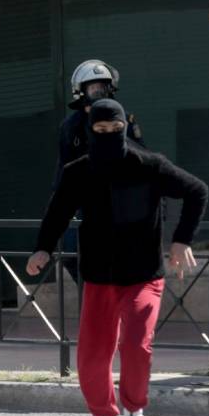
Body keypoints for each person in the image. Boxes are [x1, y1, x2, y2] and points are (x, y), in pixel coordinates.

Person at [27, 99, 208, 416]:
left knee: (136, 344)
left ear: (125, 127)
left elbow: (197, 190)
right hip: (98, 277)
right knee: (91, 359)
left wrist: (181, 240)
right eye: (101, 130)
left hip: (143, 274)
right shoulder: (78, 171)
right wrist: (43, 248)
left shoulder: (149, 164)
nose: (109, 135)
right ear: (91, 131)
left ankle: (135, 413)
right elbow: (58, 211)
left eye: (116, 129)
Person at [55, 60, 145, 284]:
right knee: (68, 250)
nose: (98, 93)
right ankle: (91, 291)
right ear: (80, 91)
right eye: (93, 88)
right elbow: (63, 167)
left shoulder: (121, 119)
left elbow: (142, 157)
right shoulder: (71, 126)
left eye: (102, 88)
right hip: (83, 200)